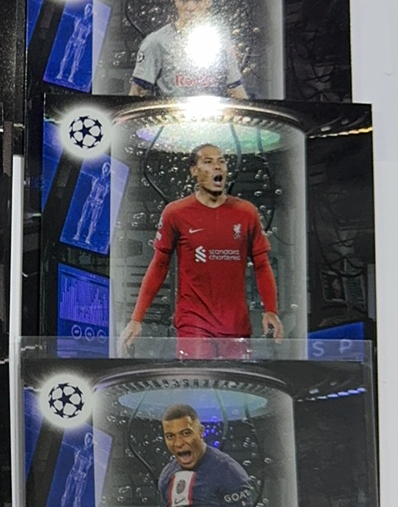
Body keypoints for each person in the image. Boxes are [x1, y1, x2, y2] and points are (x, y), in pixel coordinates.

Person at [118, 144, 283, 358]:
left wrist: (271, 311)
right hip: (193, 325)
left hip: (237, 326)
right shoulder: (176, 212)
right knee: (197, 378)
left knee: (236, 380)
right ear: (194, 170)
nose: (217, 167)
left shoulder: (246, 212)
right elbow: (159, 265)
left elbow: (261, 264)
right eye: (208, 162)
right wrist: (136, 318)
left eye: (221, 161)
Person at [129, 0, 248, 98]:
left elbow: (236, 90)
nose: (190, 8)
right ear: (175, 1)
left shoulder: (220, 41)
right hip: (170, 109)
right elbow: (137, 92)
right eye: (183, 0)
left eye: (197, 0)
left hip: (213, 109)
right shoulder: (156, 41)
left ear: (208, 1)